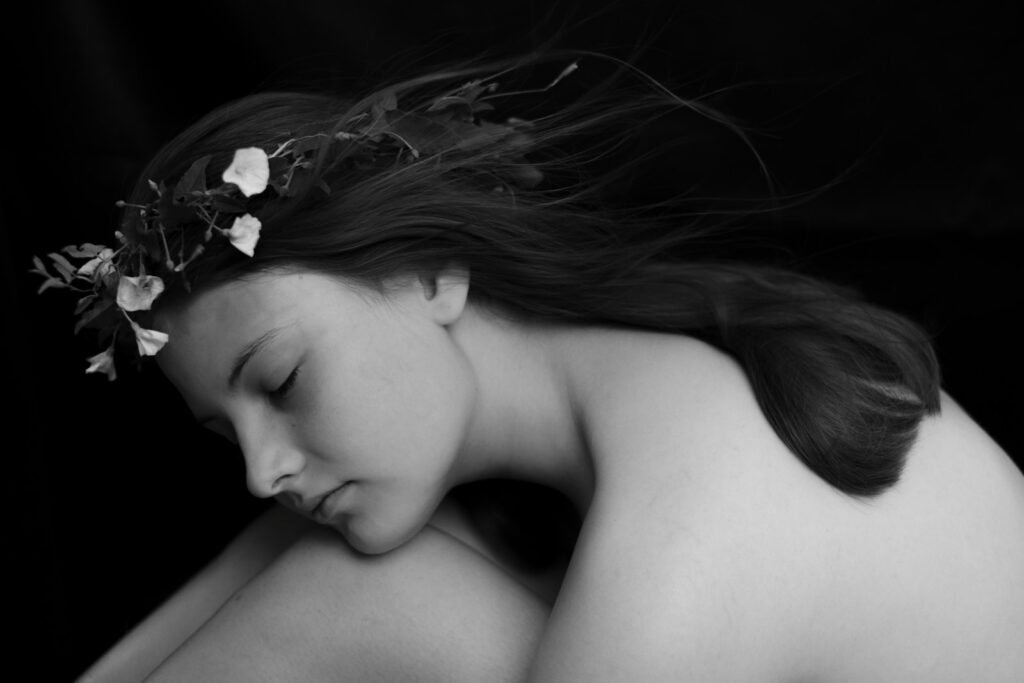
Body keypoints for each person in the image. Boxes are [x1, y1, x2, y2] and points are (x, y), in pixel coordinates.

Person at [39, 50, 1023, 682]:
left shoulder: (689, 510)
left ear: (430, 275)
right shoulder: (624, 406)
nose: (262, 468)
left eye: (284, 382)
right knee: (366, 570)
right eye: (226, 433)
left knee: (368, 591)